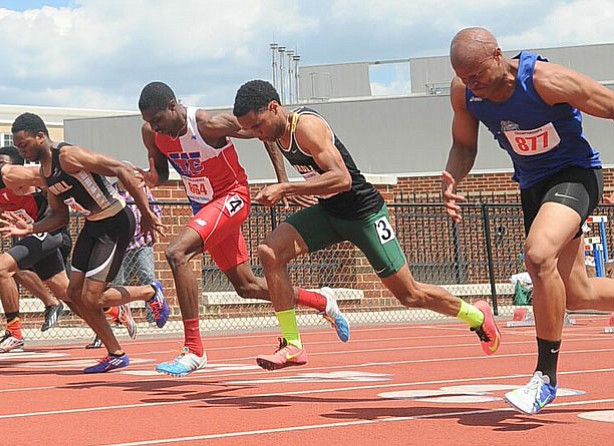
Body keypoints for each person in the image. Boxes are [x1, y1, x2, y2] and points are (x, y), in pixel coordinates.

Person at [232, 79, 501, 371]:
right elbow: (284, 154)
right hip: (330, 213)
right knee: (270, 252)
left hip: (364, 214)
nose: (257, 136)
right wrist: (285, 183)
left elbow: (343, 179)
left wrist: (287, 190)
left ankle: (477, 315)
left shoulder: (306, 127)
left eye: (258, 127)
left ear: (274, 108)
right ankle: (293, 344)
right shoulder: (273, 132)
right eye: (251, 130)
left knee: (409, 294)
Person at [444, 27, 614, 415]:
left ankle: (545, 378)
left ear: (497, 56)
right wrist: (453, 175)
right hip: (533, 187)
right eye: (464, 78)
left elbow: (609, 104)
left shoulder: (546, 80)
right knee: (577, 295)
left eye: (477, 75)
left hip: (575, 175)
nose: (473, 85)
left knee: (537, 256)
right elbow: (464, 145)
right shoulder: (465, 93)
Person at [137, 81, 350, 377]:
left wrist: (282, 182)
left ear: (173, 106)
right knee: (246, 286)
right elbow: (160, 172)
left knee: (177, 252)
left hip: (232, 197)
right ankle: (321, 300)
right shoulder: (152, 133)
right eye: (149, 122)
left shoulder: (208, 124)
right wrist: (146, 177)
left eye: (158, 120)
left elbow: (266, 133)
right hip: (204, 206)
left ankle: (194, 350)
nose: (156, 128)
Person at [0, 112, 169, 373]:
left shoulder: (68, 156)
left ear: (41, 137)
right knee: (74, 294)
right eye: (19, 147)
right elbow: (59, 215)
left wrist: (146, 213)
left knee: (92, 297)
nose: (22, 151)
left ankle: (149, 292)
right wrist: (31, 227)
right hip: (93, 225)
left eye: (24, 145)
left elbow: (121, 168)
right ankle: (116, 354)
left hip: (115, 222)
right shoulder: (45, 174)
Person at [0, 145, 74, 352]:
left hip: (48, 227)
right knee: (67, 293)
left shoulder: (10, 174)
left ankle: (14, 333)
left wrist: (60, 205)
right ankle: (112, 310)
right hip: (31, 234)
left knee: (1, 268)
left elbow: (46, 177)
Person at [86, 180, 161, 349]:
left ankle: (153, 313)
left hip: (141, 242)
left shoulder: (142, 189)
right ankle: (120, 316)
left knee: (147, 274)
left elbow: (155, 209)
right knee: (117, 283)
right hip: (120, 244)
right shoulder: (110, 190)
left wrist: (153, 229)